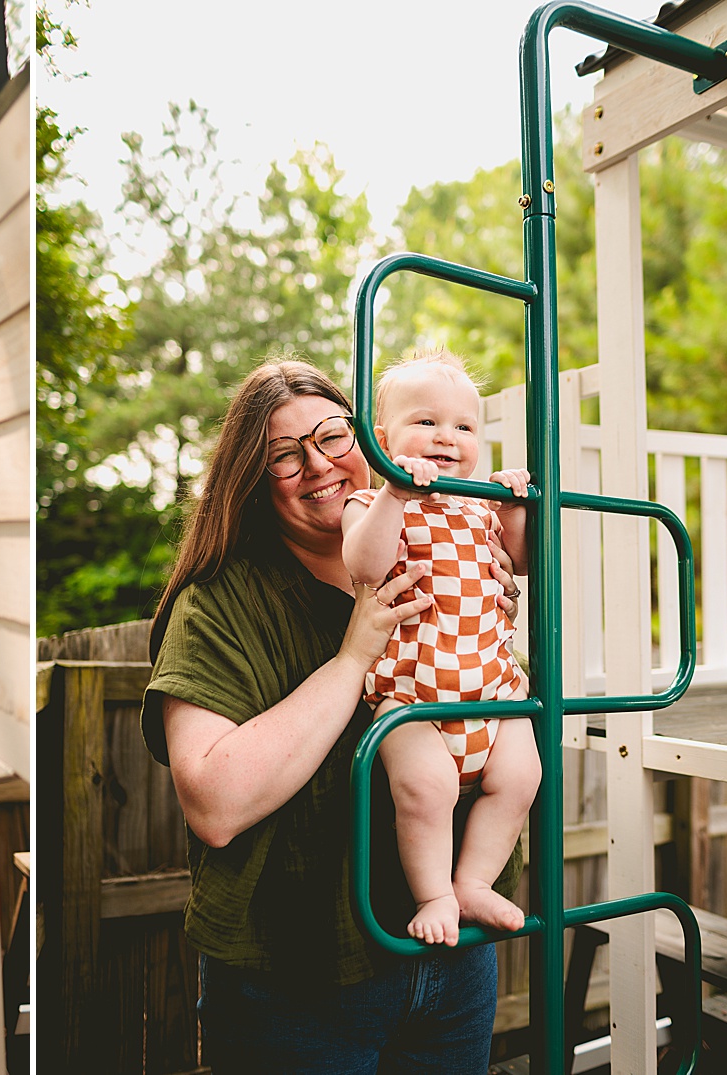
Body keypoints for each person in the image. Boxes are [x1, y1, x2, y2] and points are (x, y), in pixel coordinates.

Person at [143, 358, 522, 1074]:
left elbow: (481, 709)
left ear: (367, 441)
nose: (318, 463)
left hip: (448, 958)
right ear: (254, 478)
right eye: (284, 454)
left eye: (331, 435)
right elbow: (215, 804)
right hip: (297, 977)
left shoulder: (439, 547)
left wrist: (493, 606)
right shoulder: (220, 603)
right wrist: (354, 659)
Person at [341, 349, 540, 947]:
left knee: (524, 776)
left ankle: (475, 881)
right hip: (413, 697)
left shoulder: (480, 502)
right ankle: (435, 894)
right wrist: (395, 494)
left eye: (464, 427)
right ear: (382, 438)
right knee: (427, 791)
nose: (446, 438)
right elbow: (365, 565)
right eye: (426, 422)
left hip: (490, 690)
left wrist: (514, 510)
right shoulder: (371, 503)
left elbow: (525, 563)